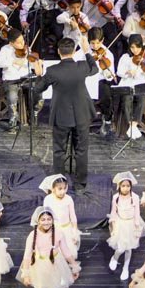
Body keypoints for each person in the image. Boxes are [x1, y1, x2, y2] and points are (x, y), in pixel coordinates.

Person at [30, 37, 93, 190]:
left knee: (59, 150)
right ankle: (80, 184)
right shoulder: (82, 66)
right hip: (82, 114)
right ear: (74, 51)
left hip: (61, 116)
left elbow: (38, 89)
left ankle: (59, 183)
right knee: (81, 150)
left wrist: (39, 74)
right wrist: (86, 51)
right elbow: (95, 68)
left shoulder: (53, 71)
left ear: (59, 52)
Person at [15, 205, 79, 288]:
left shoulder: (58, 233)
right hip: (38, 267)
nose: (46, 222)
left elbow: (66, 251)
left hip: (55, 265)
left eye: (49, 219)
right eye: (43, 219)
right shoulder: (32, 235)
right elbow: (27, 256)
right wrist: (26, 274)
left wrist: (74, 266)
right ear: (38, 220)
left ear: (53, 219)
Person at [107, 171, 145, 277]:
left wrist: (137, 227)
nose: (125, 188)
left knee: (129, 248)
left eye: (128, 186)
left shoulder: (135, 197)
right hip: (120, 224)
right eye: (123, 186)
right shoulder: (116, 197)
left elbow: (137, 213)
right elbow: (113, 213)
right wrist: (113, 227)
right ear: (119, 186)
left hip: (131, 224)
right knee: (120, 248)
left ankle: (125, 268)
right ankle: (115, 258)